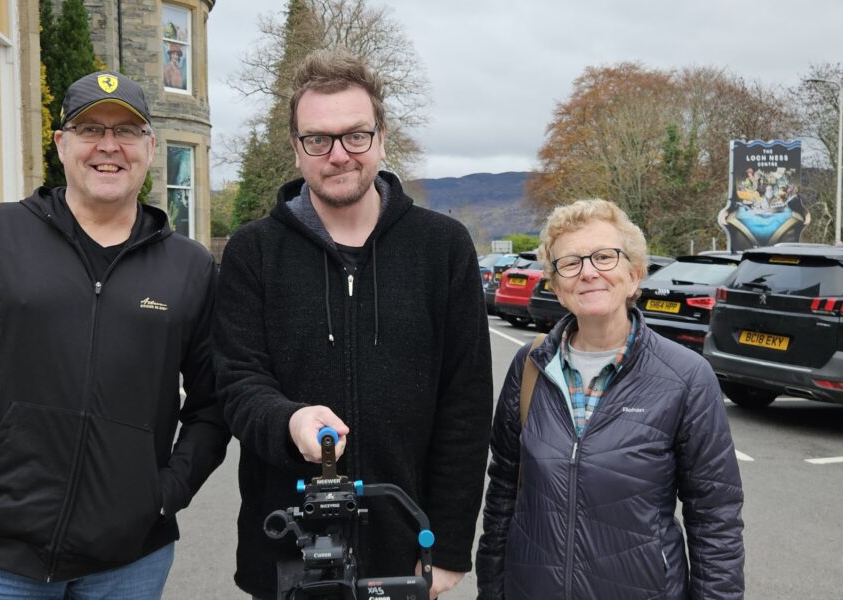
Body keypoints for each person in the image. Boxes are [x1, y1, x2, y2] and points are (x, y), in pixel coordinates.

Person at [0, 71, 230, 599]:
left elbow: (214, 404)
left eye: (127, 132)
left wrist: (165, 493)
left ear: (150, 148)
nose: (108, 146)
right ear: (61, 144)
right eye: (90, 129)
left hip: (130, 562)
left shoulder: (189, 267)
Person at [213, 48, 493, 599]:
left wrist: (452, 545)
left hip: (406, 548)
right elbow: (237, 382)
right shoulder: (253, 251)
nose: (338, 154)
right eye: (318, 139)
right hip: (286, 547)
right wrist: (290, 420)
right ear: (297, 150)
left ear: (382, 138)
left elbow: (465, 407)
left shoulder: (443, 247)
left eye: (355, 135)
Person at [476, 199, 744, 599]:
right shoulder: (530, 366)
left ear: (634, 274)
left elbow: (715, 519)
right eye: (570, 262)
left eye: (604, 257)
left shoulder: (686, 377)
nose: (588, 272)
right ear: (557, 286)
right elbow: (502, 495)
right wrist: (492, 592)